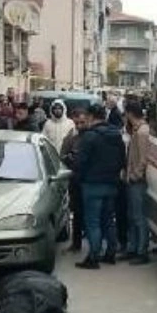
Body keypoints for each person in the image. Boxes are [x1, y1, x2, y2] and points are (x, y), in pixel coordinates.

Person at [75, 103, 127, 269]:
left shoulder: (89, 136)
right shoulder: (116, 135)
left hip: (92, 184)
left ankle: (93, 257)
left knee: (93, 222)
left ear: (91, 116)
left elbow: (81, 162)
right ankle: (110, 253)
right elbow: (122, 159)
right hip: (111, 184)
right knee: (108, 220)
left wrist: (80, 178)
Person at [123, 102, 152, 265]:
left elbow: (143, 158)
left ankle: (141, 251)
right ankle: (133, 248)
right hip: (132, 179)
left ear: (129, 113)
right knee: (132, 216)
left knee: (139, 217)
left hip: (137, 181)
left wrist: (135, 175)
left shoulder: (142, 132)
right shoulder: (137, 130)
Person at [61, 107, 89, 253]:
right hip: (76, 180)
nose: (79, 126)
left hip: (90, 180)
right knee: (77, 213)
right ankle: (76, 243)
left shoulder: (92, 136)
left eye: (82, 122)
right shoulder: (71, 138)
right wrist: (70, 158)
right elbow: (62, 156)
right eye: (77, 123)